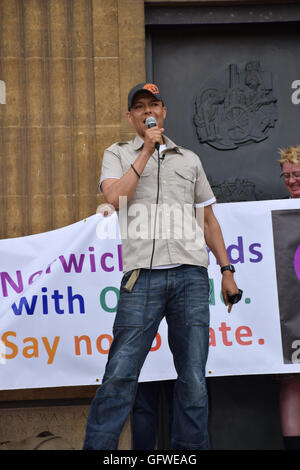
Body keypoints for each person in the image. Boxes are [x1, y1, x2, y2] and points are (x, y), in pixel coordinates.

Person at [83, 82, 241, 450]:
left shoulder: (189, 159)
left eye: (152, 104)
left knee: (193, 378)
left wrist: (227, 270)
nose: (146, 111)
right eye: (139, 107)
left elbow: (208, 221)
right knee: (120, 374)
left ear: (164, 111)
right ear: (131, 117)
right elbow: (115, 198)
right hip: (142, 278)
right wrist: (146, 151)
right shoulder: (118, 153)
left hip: (190, 276)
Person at [278, 144, 300, 449]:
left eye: (297, 175)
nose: (291, 181)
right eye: (286, 176)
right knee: (292, 382)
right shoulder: (279, 213)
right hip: (292, 313)